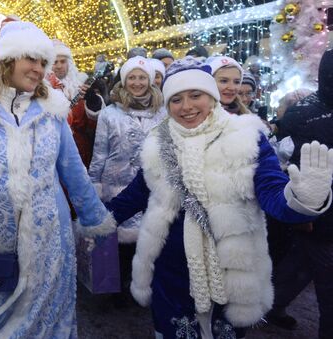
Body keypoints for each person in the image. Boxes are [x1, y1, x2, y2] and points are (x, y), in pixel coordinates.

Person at [106, 57, 333, 338]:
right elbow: (138, 192)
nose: (186, 106)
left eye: (195, 95)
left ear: (211, 97)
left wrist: (302, 199)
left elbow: (272, 193)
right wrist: (100, 218)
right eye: (176, 99)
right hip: (172, 271)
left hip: (230, 270)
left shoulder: (246, 137)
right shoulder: (158, 141)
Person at [0, 21, 115, 338]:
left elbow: (72, 169)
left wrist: (95, 217)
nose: (39, 69)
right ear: (7, 59)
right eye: (31, 60)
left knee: (46, 326)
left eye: (43, 62)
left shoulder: (51, 109)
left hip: (50, 240)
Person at [89, 56, 166, 297]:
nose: (137, 82)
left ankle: (144, 286)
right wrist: (95, 184)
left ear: (150, 80)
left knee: (150, 239)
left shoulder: (163, 112)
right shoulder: (110, 114)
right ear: (124, 80)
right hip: (116, 186)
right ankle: (118, 289)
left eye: (142, 77)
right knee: (119, 242)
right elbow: (99, 151)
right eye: (131, 77)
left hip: (152, 186)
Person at [270, 49, 333, 338]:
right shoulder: (304, 114)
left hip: (320, 218)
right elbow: (291, 167)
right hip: (319, 214)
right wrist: (301, 214)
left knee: (301, 266)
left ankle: (272, 305)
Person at [47, 39, 103, 168]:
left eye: (63, 61)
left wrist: (93, 103)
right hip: (53, 153)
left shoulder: (82, 87)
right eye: (55, 62)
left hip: (80, 152)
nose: (59, 66)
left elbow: (96, 127)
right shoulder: (40, 90)